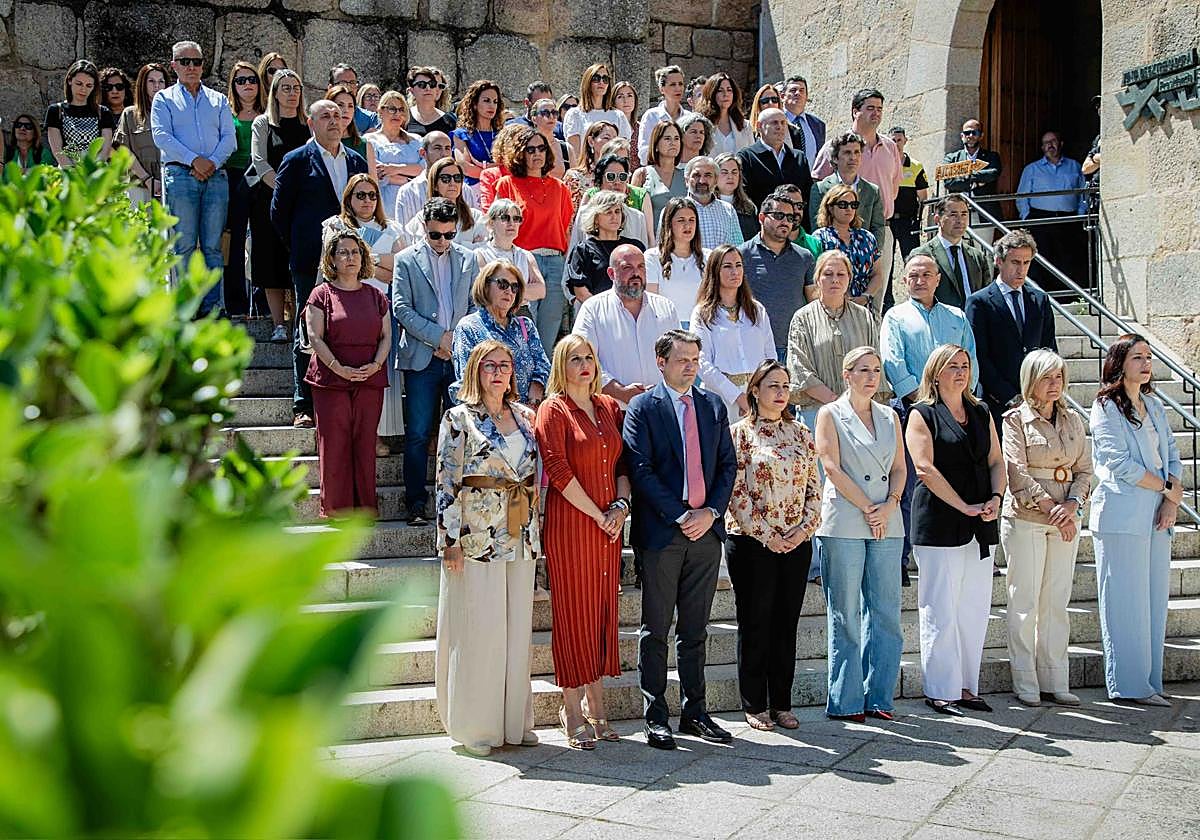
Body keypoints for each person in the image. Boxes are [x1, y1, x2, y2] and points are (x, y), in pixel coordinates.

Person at [622, 329, 738, 749]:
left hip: (706, 534)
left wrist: (710, 513)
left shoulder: (711, 405)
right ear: (661, 361)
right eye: (682, 359)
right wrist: (681, 513)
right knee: (655, 629)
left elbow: (728, 465)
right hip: (662, 534)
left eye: (695, 359)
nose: (690, 366)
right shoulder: (642, 407)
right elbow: (641, 470)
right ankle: (655, 716)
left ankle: (696, 712)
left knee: (696, 629)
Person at [434, 339, 541, 757]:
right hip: (475, 536)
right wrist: (449, 542)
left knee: (516, 631)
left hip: (521, 533)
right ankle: (477, 726)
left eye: (505, 365)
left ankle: (514, 722)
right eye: (489, 365)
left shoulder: (528, 417)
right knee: (481, 630)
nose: (498, 372)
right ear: (475, 371)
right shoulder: (459, 418)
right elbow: (445, 482)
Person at [534, 334, 630, 748]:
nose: (584, 364)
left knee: (601, 613)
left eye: (589, 357)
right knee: (574, 615)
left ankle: (597, 705)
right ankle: (571, 710)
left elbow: (624, 464)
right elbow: (556, 469)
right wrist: (598, 514)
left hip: (610, 525)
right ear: (561, 365)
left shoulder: (608, 407)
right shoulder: (553, 410)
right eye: (575, 358)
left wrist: (621, 508)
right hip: (573, 525)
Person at [906, 344, 1004, 715]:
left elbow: (997, 460)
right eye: (952, 366)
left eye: (965, 365)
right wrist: (963, 506)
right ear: (935, 372)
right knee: (940, 606)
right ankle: (939, 688)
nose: (960, 372)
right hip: (940, 520)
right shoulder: (922, 414)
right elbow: (925, 469)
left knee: (973, 607)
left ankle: (965, 685)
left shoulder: (980, 411)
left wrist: (996, 496)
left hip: (981, 520)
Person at [725, 359, 822, 730]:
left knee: (786, 623)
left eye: (785, 386)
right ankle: (754, 703)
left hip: (796, 542)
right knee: (756, 622)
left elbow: (815, 488)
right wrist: (769, 536)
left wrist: (801, 531)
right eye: (772, 386)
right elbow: (736, 492)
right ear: (755, 391)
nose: (780, 393)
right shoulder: (740, 434)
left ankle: (782, 701)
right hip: (752, 542)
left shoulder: (801, 434)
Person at [1089, 334, 1181, 707]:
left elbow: (1172, 453)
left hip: (1157, 513)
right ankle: (1128, 684)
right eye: (1137, 357)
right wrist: (1166, 487)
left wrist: (1171, 502)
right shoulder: (1105, 406)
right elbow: (1118, 463)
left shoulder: (1154, 405)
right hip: (1122, 514)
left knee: (1153, 599)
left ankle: (1150, 680)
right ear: (1119, 363)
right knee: (1125, 601)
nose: (1145, 364)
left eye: (1148, 357)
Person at [814, 346, 905, 721]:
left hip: (888, 519)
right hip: (847, 519)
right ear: (846, 374)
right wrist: (870, 507)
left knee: (886, 613)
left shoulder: (890, 417)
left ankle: (879, 696)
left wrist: (891, 503)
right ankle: (846, 700)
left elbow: (900, 467)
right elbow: (830, 466)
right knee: (846, 614)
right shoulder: (830, 413)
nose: (871, 376)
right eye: (863, 369)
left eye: (877, 370)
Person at [1001, 349, 1093, 707]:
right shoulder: (1014, 420)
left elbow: (1085, 469)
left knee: (1056, 600)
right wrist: (1050, 507)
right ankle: (1025, 680)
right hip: (1027, 517)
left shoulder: (1072, 420)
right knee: (1024, 601)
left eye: (1058, 377)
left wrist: (1071, 506)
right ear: (1031, 381)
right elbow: (1016, 472)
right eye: (1046, 377)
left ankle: (1055, 677)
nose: (1054, 385)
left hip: (1065, 518)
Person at [880, 254, 979, 581]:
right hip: (915, 413)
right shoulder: (895, 317)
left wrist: (956, 402)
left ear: (938, 279)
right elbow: (894, 364)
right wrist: (926, 405)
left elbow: (971, 362)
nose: (919, 280)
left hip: (956, 413)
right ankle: (905, 555)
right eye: (913, 275)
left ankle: (956, 544)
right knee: (911, 485)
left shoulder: (957, 316)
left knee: (954, 479)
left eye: (926, 274)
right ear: (904, 281)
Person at [271, 99, 369, 427]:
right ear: (311, 123)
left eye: (338, 116)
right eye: (325, 115)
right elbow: (279, 212)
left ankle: (341, 394)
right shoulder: (296, 160)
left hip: (352, 264)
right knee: (308, 329)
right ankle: (303, 403)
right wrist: (300, 245)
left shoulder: (355, 160)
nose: (333, 121)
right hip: (310, 259)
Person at [392, 197, 480, 523]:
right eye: (435, 235)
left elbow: (476, 305)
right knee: (416, 433)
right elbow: (401, 308)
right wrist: (437, 338)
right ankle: (415, 503)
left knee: (462, 432)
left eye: (449, 234)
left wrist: (454, 340)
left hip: (458, 358)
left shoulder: (470, 259)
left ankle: (458, 504)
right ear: (423, 228)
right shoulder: (405, 260)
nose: (442, 241)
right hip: (421, 357)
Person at [303, 229, 391, 518]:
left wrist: (376, 365)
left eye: (355, 251)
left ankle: (365, 510)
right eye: (343, 252)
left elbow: (386, 337)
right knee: (335, 443)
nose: (350, 257)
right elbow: (314, 337)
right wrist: (338, 368)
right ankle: (337, 511)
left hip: (370, 378)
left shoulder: (376, 295)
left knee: (365, 443)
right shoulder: (321, 294)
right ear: (332, 258)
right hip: (331, 379)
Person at [323, 174, 407, 452]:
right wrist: (379, 265)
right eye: (360, 195)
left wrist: (367, 260)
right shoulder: (336, 226)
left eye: (372, 195)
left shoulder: (392, 227)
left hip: (381, 306)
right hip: (344, 305)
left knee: (377, 372)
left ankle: (375, 435)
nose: (367, 201)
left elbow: (401, 269)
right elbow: (337, 266)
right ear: (349, 198)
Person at [151, 42, 236, 317]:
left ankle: (212, 306)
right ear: (173, 64)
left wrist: (210, 163)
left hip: (215, 176)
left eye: (196, 61)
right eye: (184, 61)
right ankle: (188, 306)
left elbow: (229, 139)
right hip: (180, 173)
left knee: (212, 246)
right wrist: (194, 160)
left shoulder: (218, 99)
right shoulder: (163, 99)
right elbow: (161, 136)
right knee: (184, 244)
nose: (191, 67)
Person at [965, 228, 1057, 431]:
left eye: (1026, 263)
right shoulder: (979, 302)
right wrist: (1009, 396)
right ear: (999, 262)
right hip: (997, 403)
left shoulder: (1039, 300)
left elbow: (1049, 350)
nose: (1021, 270)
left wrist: (1042, 392)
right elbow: (979, 355)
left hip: (1036, 401)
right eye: (1015, 262)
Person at [493, 127, 574, 347]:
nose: (537, 153)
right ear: (520, 153)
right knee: (523, 327)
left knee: (550, 328)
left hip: (556, 261)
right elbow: (499, 225)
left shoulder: (560, 188)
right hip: (523, 261)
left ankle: (544, 378)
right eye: (530, 149)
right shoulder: (506, 184)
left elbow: (565, 227)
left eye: (541, 148)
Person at [812, 89, 901, 285]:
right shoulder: (833, 147)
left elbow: (893, 188)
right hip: (835, 239)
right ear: (855, 111)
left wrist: (873, 248)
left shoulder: (890, 147)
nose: (876, 113)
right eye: (870, 108)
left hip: (878, 231)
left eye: (879, 109)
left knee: (875, 297)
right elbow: (819, 186)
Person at [573, 245, 680, 406]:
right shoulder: (592, 309)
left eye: (641, 266)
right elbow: (581, 359)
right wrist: (620, 392)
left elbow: (679, 356)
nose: (636, 273)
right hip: (612, 412)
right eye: (627, 267)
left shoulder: (666, 308)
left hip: (662, 409)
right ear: (611, 273)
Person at [788, 250, 882, 430]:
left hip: (860, 412)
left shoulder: (863, 316)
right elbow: (800, 369)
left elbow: (875, 363)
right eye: (828, 274)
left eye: (841, 274)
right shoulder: (802, 318)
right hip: (816, 411)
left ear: (849, 278)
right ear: (817, 279)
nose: (835, 280)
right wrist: (837, 402)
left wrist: (859, 405)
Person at [249, 69, 309, 342]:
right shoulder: (263, 124)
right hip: (271, 202)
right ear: (274, 92)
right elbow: (259, 163)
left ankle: (300, 322)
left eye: (296, 87)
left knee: (299, 263)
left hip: (303, 205)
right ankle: (278, 324)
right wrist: (284, 192)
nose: (292, 93)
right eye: (285, 87)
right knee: (271, 264)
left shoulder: (308, 124)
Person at [689, 245, 776, 419]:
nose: (735, 271)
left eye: (738, 265)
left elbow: (770, 354)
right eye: (727, 266)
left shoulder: (757, 309)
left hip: (759, 397)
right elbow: (703, 362)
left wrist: (762, 394)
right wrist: (738, 397)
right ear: (715, 271)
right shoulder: (702, 313)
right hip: (721, 398)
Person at [452, 259, 551, 404]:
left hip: (528, 413)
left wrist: (536, 388)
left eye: (514, 287)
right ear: (485, 286)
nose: (509, 291)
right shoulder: (469, 327)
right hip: (488, 417)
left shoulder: (526, 326)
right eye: (502, 284)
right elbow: (466, 379)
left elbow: (544, 366)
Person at [739, 190, 816, 361]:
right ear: (761, 218)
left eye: (790, 218)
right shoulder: (741, 255)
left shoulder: (805, 257)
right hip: (754, 346)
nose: (785, 222)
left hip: (795, 347)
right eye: (779, 215)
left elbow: (814, 302)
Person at [1016, 130, 1088, 290]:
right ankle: (1043, 295)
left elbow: (1083, 193)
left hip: (1068, 220)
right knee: (1041, 259)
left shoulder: (1074, 166)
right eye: (1046, 143)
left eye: (1053, 141)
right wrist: (1026, 218)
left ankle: (1068, 296)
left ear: (1060, 144)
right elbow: (1022, 196)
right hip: (1041, 219)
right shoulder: (1032, 169)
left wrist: (1080, 215)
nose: (1050, 145)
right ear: (1042, 147)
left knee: (1068, 259)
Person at [223, 60, 264, 317]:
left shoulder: (269, 114)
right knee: (235, 242)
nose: (247, 84)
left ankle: (262, 305)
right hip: (233, 179)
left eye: (252, 79)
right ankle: (235, 303)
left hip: (261, 179)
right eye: (241, 80)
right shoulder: (225, 114)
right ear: (233, 85)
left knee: (262, 242)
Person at [910, 194, 991, 311]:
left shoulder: (977, 256)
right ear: (937, 219)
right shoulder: (922, 255)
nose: (960, 220)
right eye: (953, 215)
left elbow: (985, 294)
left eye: (964, 214)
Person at [566, 190, 644, 302]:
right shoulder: (583, 250)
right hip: (598, 313)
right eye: (608, 212)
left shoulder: (634, 247)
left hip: (633, 312)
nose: (614, 217)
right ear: (596, 218)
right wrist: (601, 310)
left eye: (617, 212)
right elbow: (580, 290)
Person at [813, 185, 883, 310]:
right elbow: (814, 277)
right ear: (830, 208)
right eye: (843, 205)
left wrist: (866, 297)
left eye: (853, 205)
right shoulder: (819, 238)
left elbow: (877, 274)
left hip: (863, 307)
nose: (849, 209)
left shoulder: (867, 237)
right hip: (832, 307)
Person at [809, 132, 884, 249]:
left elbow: (878, 226)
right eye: (847, 152)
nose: (853, 157)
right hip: (831, 254)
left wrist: (874, 253)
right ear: (835, 158)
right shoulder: (820, 188)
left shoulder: (872, 190)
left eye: (857, 152)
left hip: (863, 255)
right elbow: (816, 225)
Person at [645, 197, 707, 325]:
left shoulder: (709, 257)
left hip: (700, 327)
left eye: (692, 220)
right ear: (669, 224)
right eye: (681, 220)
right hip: (666, 327)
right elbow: (651, 303)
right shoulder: (652, 257)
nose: (687, 225)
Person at [393, 131, 479, 223]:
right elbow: (405, 233)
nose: (444, 154)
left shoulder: (465, 190)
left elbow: (472, 226)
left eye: (447, 148)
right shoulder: (408, 192)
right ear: (423, 153)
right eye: (437, 148)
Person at [736, 107, 811, 211]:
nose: (779, 127)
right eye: (774, 123)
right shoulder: (747, 157)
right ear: (759, 126)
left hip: (795, 224)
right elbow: (745, 196)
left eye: (783, 123)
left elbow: (806, 194)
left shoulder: (799, 158)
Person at [474, 198, 547, 304]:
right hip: (494, 313)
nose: (511, 223)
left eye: (516, 219)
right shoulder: (480, 254)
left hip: (521, 313)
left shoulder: (526, 255)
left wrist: (504, 288)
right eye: (505, 218)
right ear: (491, 223)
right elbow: (486, 289)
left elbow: (541, 290)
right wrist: (524, 291)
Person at [364, 90, 423, 220]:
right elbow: (377, 173)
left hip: (414, 201)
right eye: (392, 109)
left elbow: (424, 169)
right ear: (380, 111)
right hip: (385, 203)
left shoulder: (416, 140)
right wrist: (408, 178)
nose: (397, 114)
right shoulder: (370, 140)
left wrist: (396, 169)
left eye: (401, 109)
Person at [113, 63, 168, 203]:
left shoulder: (175, 114)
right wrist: (147, 179)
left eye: (161, 81)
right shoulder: (130, 114)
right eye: (151, 81)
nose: (157, 86)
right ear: (143, 84)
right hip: (140, 185)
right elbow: (123, 150)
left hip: (170, 184)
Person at [404, 157, 486, 248]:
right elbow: (423, 252)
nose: (452, 183)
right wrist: (468, 246)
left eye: (457, 178)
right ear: (435, 185)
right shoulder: (421, 218)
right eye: (445, 178)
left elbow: (482, 251)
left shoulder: (475, 216)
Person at [46, 59, 115, 166]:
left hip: (96, 172)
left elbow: (105, 151)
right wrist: (72, 174)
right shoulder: (56, 111)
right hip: (67, 172)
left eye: (88, 86)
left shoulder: (103, 112)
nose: (83, 90)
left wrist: (92, 172)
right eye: (79, 84)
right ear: (69, 80)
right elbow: (57, 150)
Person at [563, 63, 632, 166]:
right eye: (596, 78)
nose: (601, 82)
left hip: (612, 173)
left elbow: (622, 151)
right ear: (588, 81)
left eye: (605, 79)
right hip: (586, 172)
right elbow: (574, 154)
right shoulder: (574, 114)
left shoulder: (618, 115)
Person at [888, 126, 927, 272]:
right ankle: (887, 295)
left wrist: (918, 221)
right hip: (888, 221)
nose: (897, 143)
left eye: (899, 140)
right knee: (887, 263)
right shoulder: (884, 165)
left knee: (912, 260)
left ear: (905, 141)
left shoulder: (916, 166)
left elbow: (923, 197)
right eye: (893, 140)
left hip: (908, 222)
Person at [631, 120, 686, 222]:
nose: (673, 143)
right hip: (649, 236)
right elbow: (633, 213)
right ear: (656, 144)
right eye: (667, 138)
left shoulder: (686, 176)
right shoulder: (641, 174)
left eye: (676, 138)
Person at [684, 156, 744, 249]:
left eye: (708, 175)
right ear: (687, 180)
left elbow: (738, 248)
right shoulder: (676, 211)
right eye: (696, 175)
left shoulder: (728, 210)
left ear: (716, 180)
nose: (702, 181)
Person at [452, 80, 504, 185]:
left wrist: (483, 167)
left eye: (495, 101)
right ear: (475, 104)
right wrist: (494, 169)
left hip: (501, 187)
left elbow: (509, 166)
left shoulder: (503, 134)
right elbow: (466, 168)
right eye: (486, 100)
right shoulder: (461, 134)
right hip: (474, 190)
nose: (492, 106)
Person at [637, 65, 691, 164]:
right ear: (662, 89)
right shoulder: (651, 116)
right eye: (673, 84)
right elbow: (643, 152)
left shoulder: (690, 117)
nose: (678, 88)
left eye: (680, 84)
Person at [563, 121, 618, 212]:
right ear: (591, 141)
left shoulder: (620, 176)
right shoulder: (575, 177)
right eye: (606, 138)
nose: (612, 143)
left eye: (615, 140)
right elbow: (568, 215)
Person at [943, 119, 1002, 198]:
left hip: (984, 207)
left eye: (975, 133)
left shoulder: (992, 156)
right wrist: (977, 183)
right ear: (962, 136)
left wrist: (966, 174)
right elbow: (948, 182)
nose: (970, 136)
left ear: (981, 136)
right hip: (959, 207)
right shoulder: (951, 158)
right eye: (967, 133)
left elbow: (993, 173)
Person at [696, 73, 753, 155]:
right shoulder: (702, 125)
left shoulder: (745, 126)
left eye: (729, 90)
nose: (726, 94)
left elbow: (751, 157)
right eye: (720, 90)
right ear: (711, 94)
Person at [713, 153, 759, 242]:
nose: (730, 177)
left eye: (734, 172)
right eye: (724, 172)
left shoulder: (749, 208)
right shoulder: (708, 205)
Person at [327, 83, 375, 169]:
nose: (346, 110)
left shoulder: (365, 145)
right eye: (340, 105)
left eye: (350, 106)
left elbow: (372, 180)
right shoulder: (318, 143)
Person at [782, 75, 825, 170]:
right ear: (782, 96)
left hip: (811, 181)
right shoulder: (777, 121)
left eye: (802, 90)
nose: (798, 93)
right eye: (793, 90)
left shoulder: (818, 125)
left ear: (806, 96)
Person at [328, 63, 380, 135]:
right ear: (330, 88)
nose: (348, 87)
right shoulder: (319, 117)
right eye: (342, 83)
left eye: (352, 83)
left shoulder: (370, 119)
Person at [406, 66, 457, 137]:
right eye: (421, 85)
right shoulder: (403, 117)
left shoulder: (450, 120)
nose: (428, 88)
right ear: (411, 91)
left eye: (432, 84)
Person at [612, 81, 641, 169]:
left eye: (629, 95)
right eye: (620, 97)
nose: (626, 100)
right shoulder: (609, 129)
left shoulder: (641, 128)